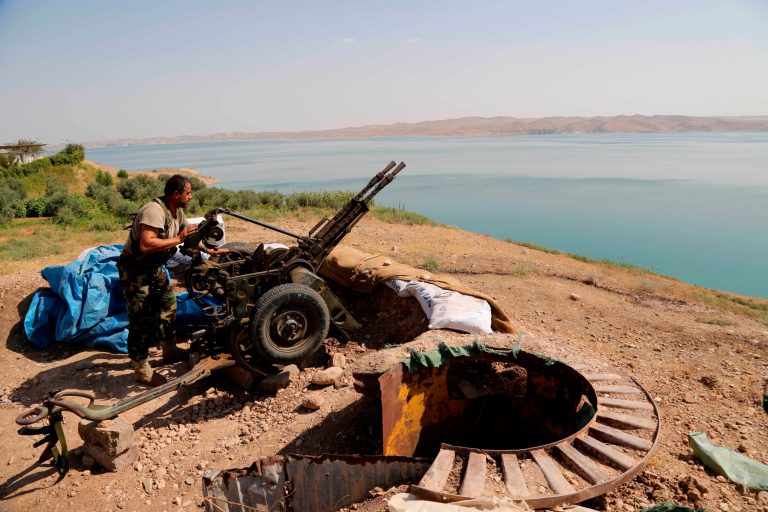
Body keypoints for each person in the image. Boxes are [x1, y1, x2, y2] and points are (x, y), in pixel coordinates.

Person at [118, 174, 223, 385]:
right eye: (188, 192)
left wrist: (209, 251)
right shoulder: (154, 211)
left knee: (168, 305)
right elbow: (146, 245)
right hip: (136, 270)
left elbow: (187, 240)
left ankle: (169, 349)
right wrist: (178, 239)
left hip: (155, 267)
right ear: (176, 194)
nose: (191, 196)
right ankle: (141, 369)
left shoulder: (177, 212)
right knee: (140, 319)